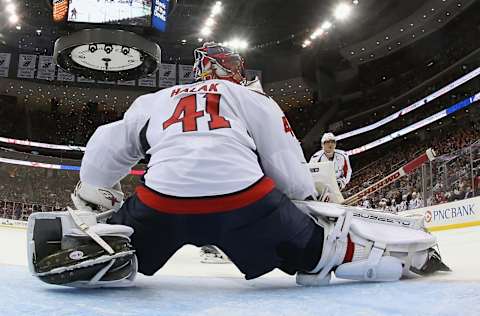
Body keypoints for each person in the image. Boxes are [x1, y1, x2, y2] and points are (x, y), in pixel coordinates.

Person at [27, 43, 449, 288]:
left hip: (162, 204)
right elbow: (285, 165)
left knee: (127, 238)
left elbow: (104, 141)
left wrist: (95, 195)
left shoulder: (155, 100)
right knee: (318, 252)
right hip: (244, 203)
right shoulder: (252, 99)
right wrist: (304, 201)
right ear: (233, 71)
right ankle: (397, 258)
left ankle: (102, 246)